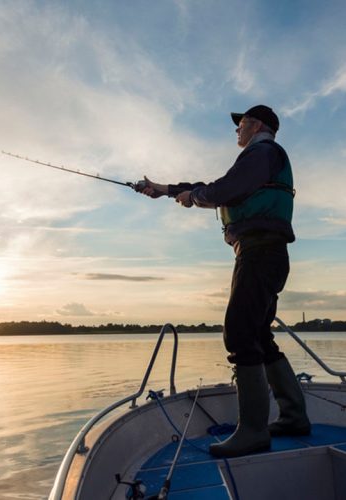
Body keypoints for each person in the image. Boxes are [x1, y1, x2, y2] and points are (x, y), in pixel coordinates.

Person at [138, 105, 310, 458]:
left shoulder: (262, 152)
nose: (236, 130)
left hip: (260, 252)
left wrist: (195, 197)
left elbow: (222, 190)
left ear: (257, 124)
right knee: (259, 334)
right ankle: (293, 417)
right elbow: (218, 187)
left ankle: (252, 432)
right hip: (264, 252)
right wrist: (166, 189)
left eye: (241, 123)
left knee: (239, 332)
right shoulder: (262, 157)